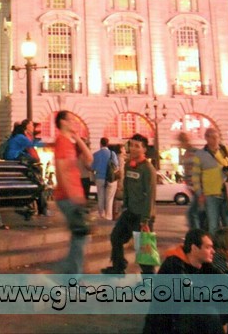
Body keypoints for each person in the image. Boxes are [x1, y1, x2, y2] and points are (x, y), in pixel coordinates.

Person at [143, 228, 223, 334]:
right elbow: (188, 293)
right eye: (208, 247)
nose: (213, 251)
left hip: (184, 319)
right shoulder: (174, 264)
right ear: (194, 248)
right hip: (165, 325)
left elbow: (224, 280)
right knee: (207, 312)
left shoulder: (204, 263)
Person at [102, 133, 157, 275]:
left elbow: (150, 195)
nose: (133, 149)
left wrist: (145, 220)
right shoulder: (128, 165)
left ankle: (149, 281)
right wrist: (124, 206)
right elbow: (126, 187)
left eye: (137, 146)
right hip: (129, 212)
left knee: (144, 249)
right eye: (131, 145)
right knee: (116, 237)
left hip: (142, 216)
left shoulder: (148, 169)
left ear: (144, 149)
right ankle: (118, 267)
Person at [52, 110, 93, 273]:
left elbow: (89, 158)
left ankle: (67, 273)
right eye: (71, 119)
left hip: (75, 196)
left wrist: (77, 138)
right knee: (80, 236)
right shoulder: (61, 142)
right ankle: (69, 276)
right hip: (67, 197)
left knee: (80, 237)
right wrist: (74, 197)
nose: (74, 122)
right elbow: (61, 172)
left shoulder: (69, 142)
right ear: (63, 122)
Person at [191, 127, 228, 233]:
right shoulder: (200, 154)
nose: (215, 140)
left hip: (227, 193)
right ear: (206, 138)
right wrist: (199, 193)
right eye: (212, 138)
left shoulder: (225, 150)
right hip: (210, 194)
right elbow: (195, 176)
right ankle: (214, 248)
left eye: (216, 137)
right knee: (213, 226)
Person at [91, 137, 118, 220]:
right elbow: (116, 165)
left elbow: (93, 167)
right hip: (110, 178)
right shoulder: (112, 153)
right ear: (108, 144)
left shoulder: (95, 154)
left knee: (100, 196)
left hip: (99, 178)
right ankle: (108, 216)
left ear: (100, 144)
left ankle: (101, 214)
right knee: (109, 198)